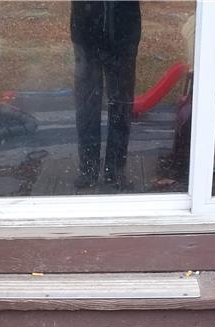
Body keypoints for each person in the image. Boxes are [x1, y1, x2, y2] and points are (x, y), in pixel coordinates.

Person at [70, 1, 142, 191]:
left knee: (121, 105)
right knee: (87, 105)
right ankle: (88, 169)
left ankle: (116, 170)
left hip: (124, 32)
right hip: (86, 31)